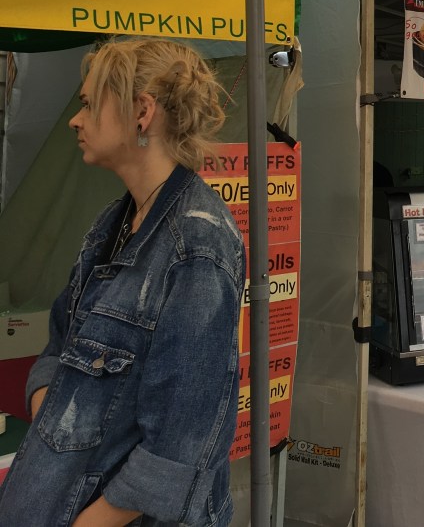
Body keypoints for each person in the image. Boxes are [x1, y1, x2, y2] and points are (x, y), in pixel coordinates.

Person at [0, 38, 244, 526]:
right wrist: (59, 436)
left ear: (142, 113)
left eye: (89, 104)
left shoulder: (197, 247)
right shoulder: (112, 225)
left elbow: (177, 451)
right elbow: (57, 349)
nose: (75, 119)